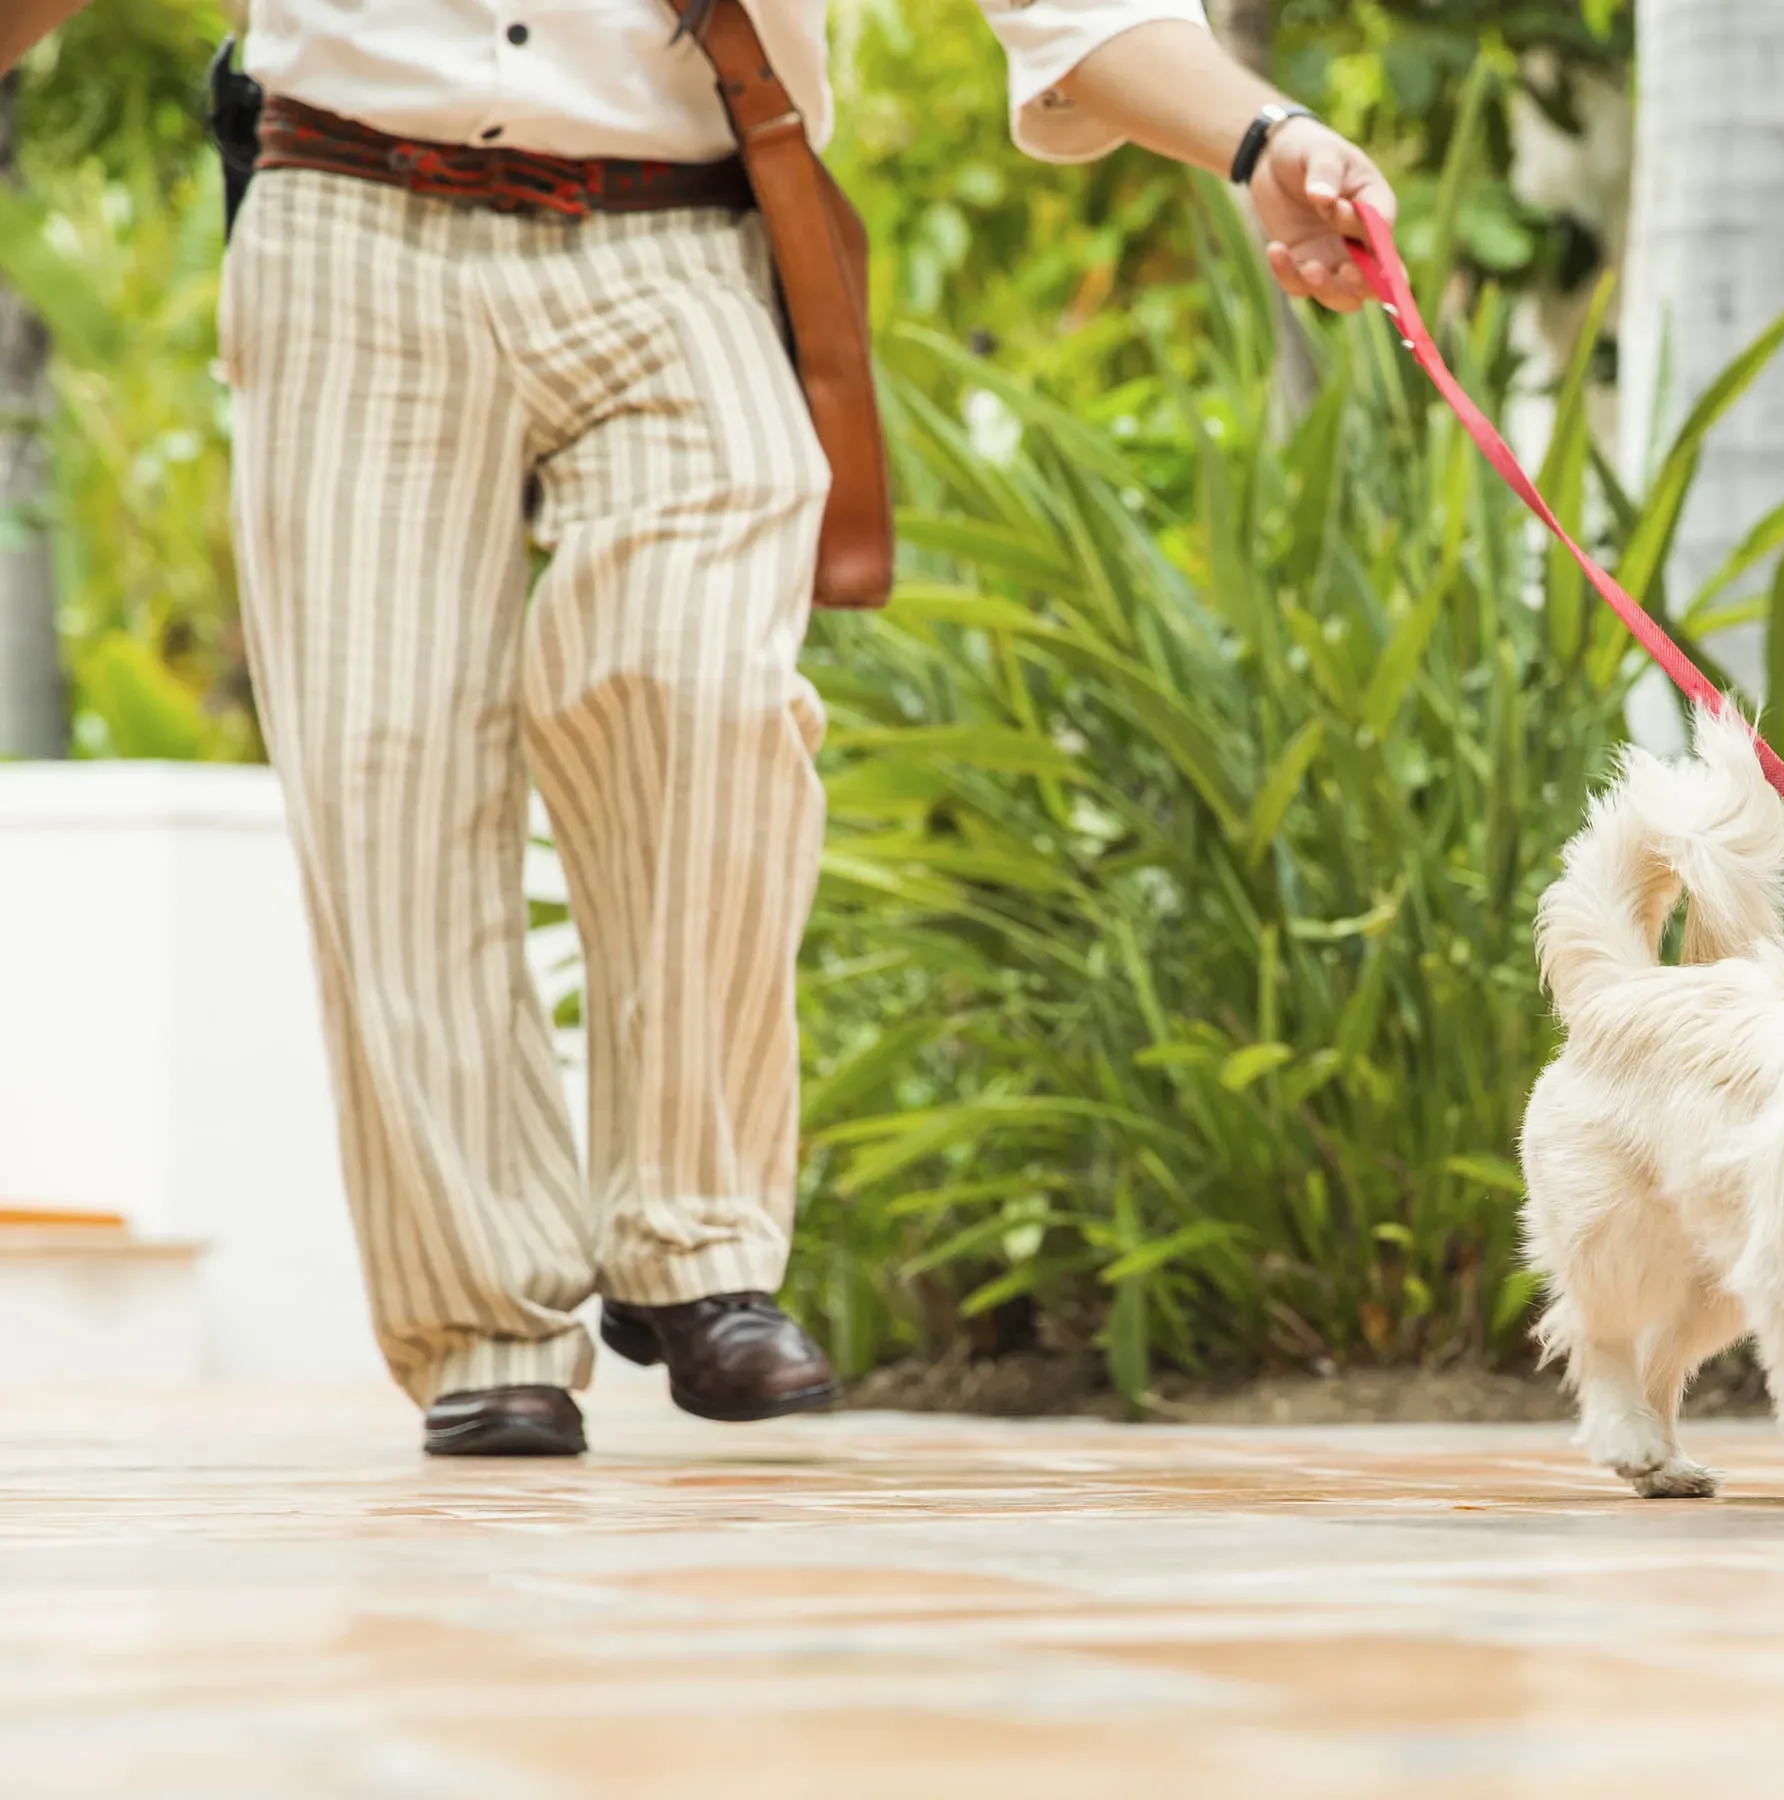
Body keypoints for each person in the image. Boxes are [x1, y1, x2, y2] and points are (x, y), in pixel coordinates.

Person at [0, 1, 1394, 1454]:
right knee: (384, 771)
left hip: (679, 235)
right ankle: (486, 1326)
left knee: (707, 689)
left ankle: (698, 1247)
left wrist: (1260, 138)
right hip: (348, 215)